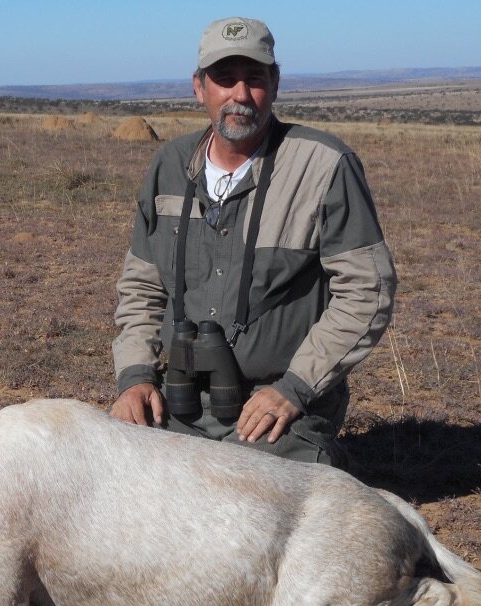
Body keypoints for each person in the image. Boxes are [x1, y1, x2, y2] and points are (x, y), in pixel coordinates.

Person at [110, 17, 396, 465]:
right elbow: (142, 287)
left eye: (255, 80)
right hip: (179, 396)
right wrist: (135, 378)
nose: (240, 96)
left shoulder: (323, 165)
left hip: (278, 405)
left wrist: (295, 388)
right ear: (199, 87)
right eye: (224, 80)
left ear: (275, 84)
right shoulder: (169, 164)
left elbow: (367, 292)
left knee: (264, 512)